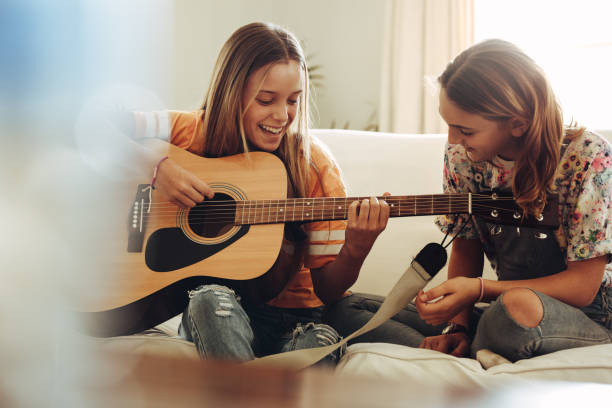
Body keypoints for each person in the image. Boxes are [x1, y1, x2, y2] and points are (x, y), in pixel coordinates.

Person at [323, 39, 611, 362]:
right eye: (448, 126)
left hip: (585, 317)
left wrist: (479, 290)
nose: (452, 140)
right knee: (348, 308)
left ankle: (476, 344)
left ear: (517, 123)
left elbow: (583, 286)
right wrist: (456, 326)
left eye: (465, 130)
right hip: (497, 308)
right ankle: (464, 348)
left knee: (515, 308)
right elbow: (465, 244)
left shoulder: (588, 159)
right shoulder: (464, 157)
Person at [127, 22, 389, 363]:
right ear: (231, 91)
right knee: (208, 300)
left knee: (322, 343)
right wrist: (158, 167)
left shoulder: (312, 166)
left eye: (293, 101)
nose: (282, 116)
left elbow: (327, 289)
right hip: (217, 308)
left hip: (298, 322)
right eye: (266, 100)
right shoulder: (191, 132)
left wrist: (357, 247)